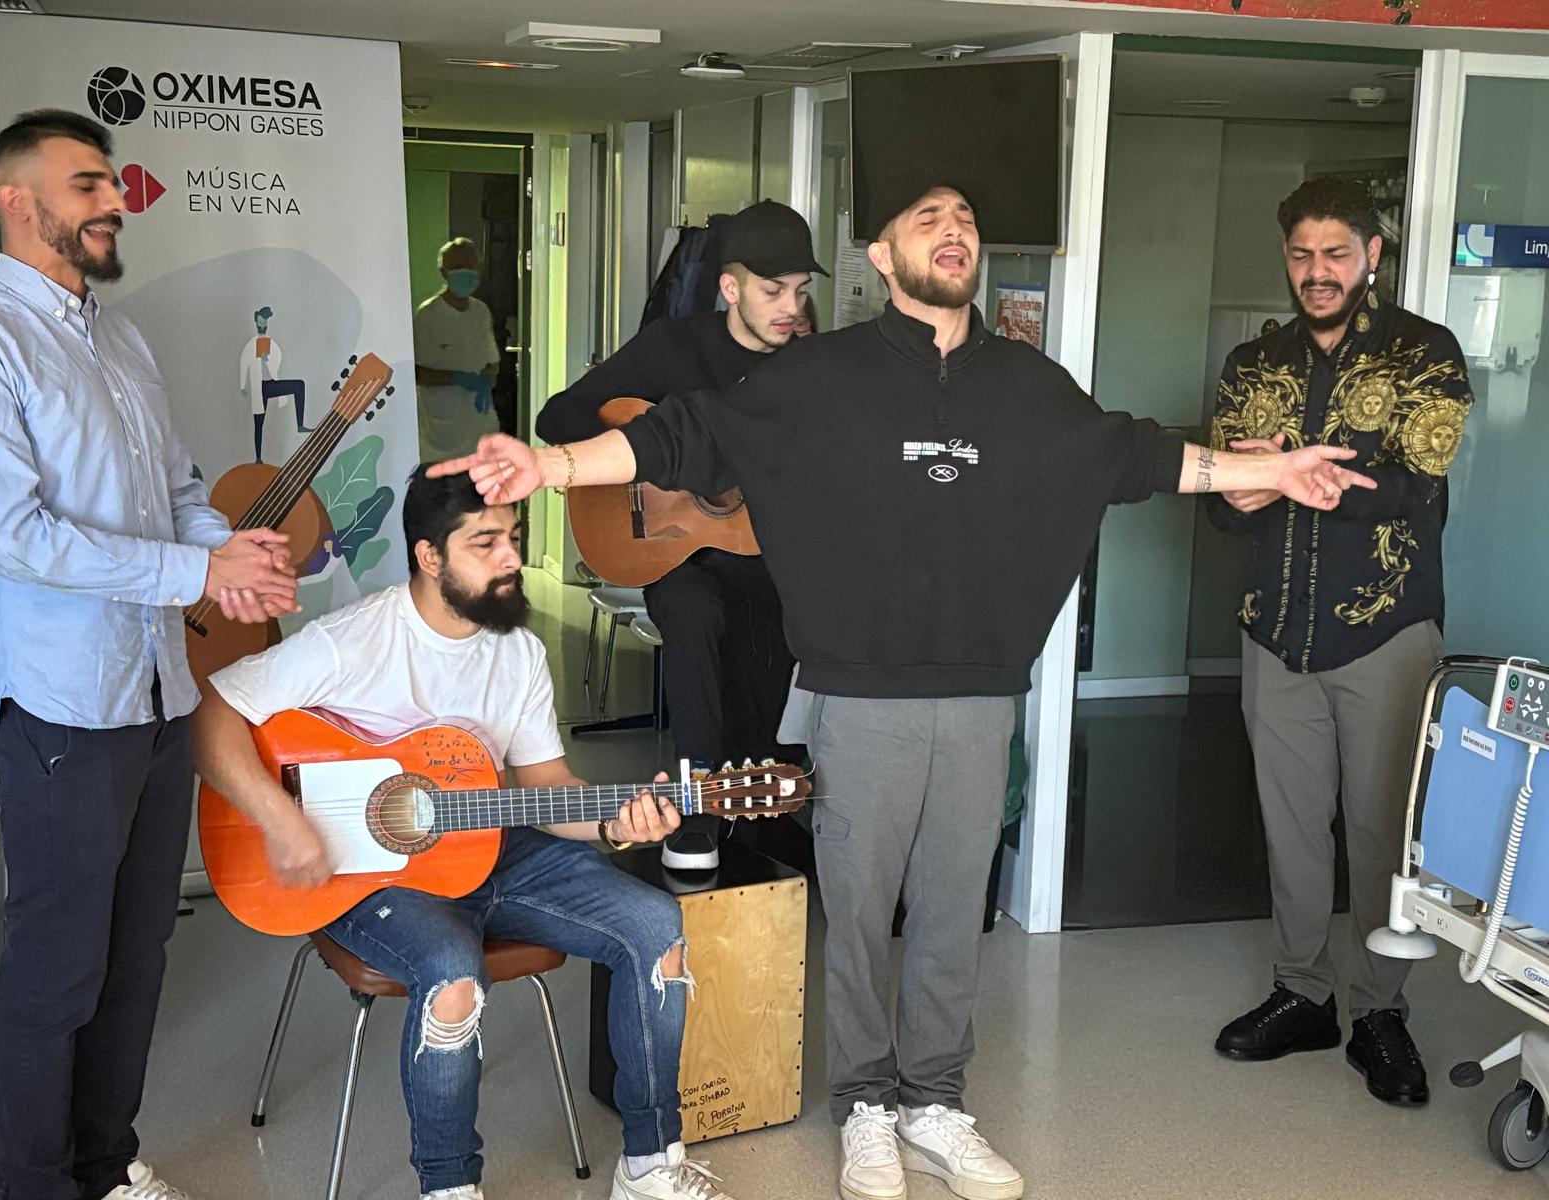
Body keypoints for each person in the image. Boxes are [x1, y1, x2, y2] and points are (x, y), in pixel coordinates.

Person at [430, 177, 1377, 1200]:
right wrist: (551, 462)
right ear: (880, 259)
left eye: (966, 218)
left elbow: (1129, 452)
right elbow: (680, 435)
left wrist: (1271, 474)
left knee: (945, 917)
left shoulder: (1026, 382)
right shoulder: (817, 375)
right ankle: (866, 1110)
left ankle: (935, 1101)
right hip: (856, 697)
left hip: (979, 696)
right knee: (862, 911)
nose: (953, 231)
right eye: (925, 220)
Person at [192, 469, 741, 1200]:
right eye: (485, 542)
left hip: (490, 852)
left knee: (656, 924)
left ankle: (650, 1165)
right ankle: (449, 1188)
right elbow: (212, 719)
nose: (510, 558)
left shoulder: (516, 654)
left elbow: (546, 790)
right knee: (453, 973)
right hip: (364, 873)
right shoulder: (352, 640)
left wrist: (617, 820)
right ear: (429, 557)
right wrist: (280, 817)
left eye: (511, 538)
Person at [0, 109, 299, 1200]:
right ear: (21, 201)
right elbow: (15, 536)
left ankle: (105, 1168)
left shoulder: (122, 334)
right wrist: (196, 576)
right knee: (57, 975)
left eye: (111, 184)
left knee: (137, 958)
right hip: (62, 705)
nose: (114, 202)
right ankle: (35, 1186)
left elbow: (180, 496)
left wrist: (230, 556)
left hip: (157, 694)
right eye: (90, 184)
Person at [1207, 177, 1474, 1105]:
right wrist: (1251, 489)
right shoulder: (1252, 363)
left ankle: (1382, 1012)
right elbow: (1232, 512)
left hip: (1385, 630)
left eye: (1335, 254)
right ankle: (1302, 995)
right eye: (1301, 255)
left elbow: (1421, 484)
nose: (1316, 273)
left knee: (1378, 830)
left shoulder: (1424, 354)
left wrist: (1300, 470)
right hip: (1275, 632)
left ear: (1372, 255)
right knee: (1290, 827)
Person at [536, 199, 823, 871]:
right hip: (675, 550)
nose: (791, 306)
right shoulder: (673, 347)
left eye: (801, 292)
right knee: (695, 610)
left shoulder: (813, 368)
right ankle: (695, 807)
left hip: (771, 556)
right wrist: (651, 456)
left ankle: (762, 808)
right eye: (773, 289)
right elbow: (561, 414)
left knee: (790, 622)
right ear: (730, 288)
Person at [415, 237, 501, 460]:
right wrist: (458, 378)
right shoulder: (428, 316)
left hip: (480, 426)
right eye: (456, 267)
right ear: (443, 272)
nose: (464, 272)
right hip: (440, 433)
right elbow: (416, 373)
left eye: (469, 266)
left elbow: (491, 360)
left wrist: (486, 382)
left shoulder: (481, 312)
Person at [238, 304, 313, 463]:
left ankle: (300, 425)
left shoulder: (271, 343)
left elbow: (277, 361)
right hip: (259, 389)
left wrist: (267, 360)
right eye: (260, 321)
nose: (263, 325)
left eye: (265, 322)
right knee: (259, 422)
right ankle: (258, 458)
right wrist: (243, 386)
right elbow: (244, 364)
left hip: (271, 384)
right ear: (256, 322)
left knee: (299, 385)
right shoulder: (251, 345)